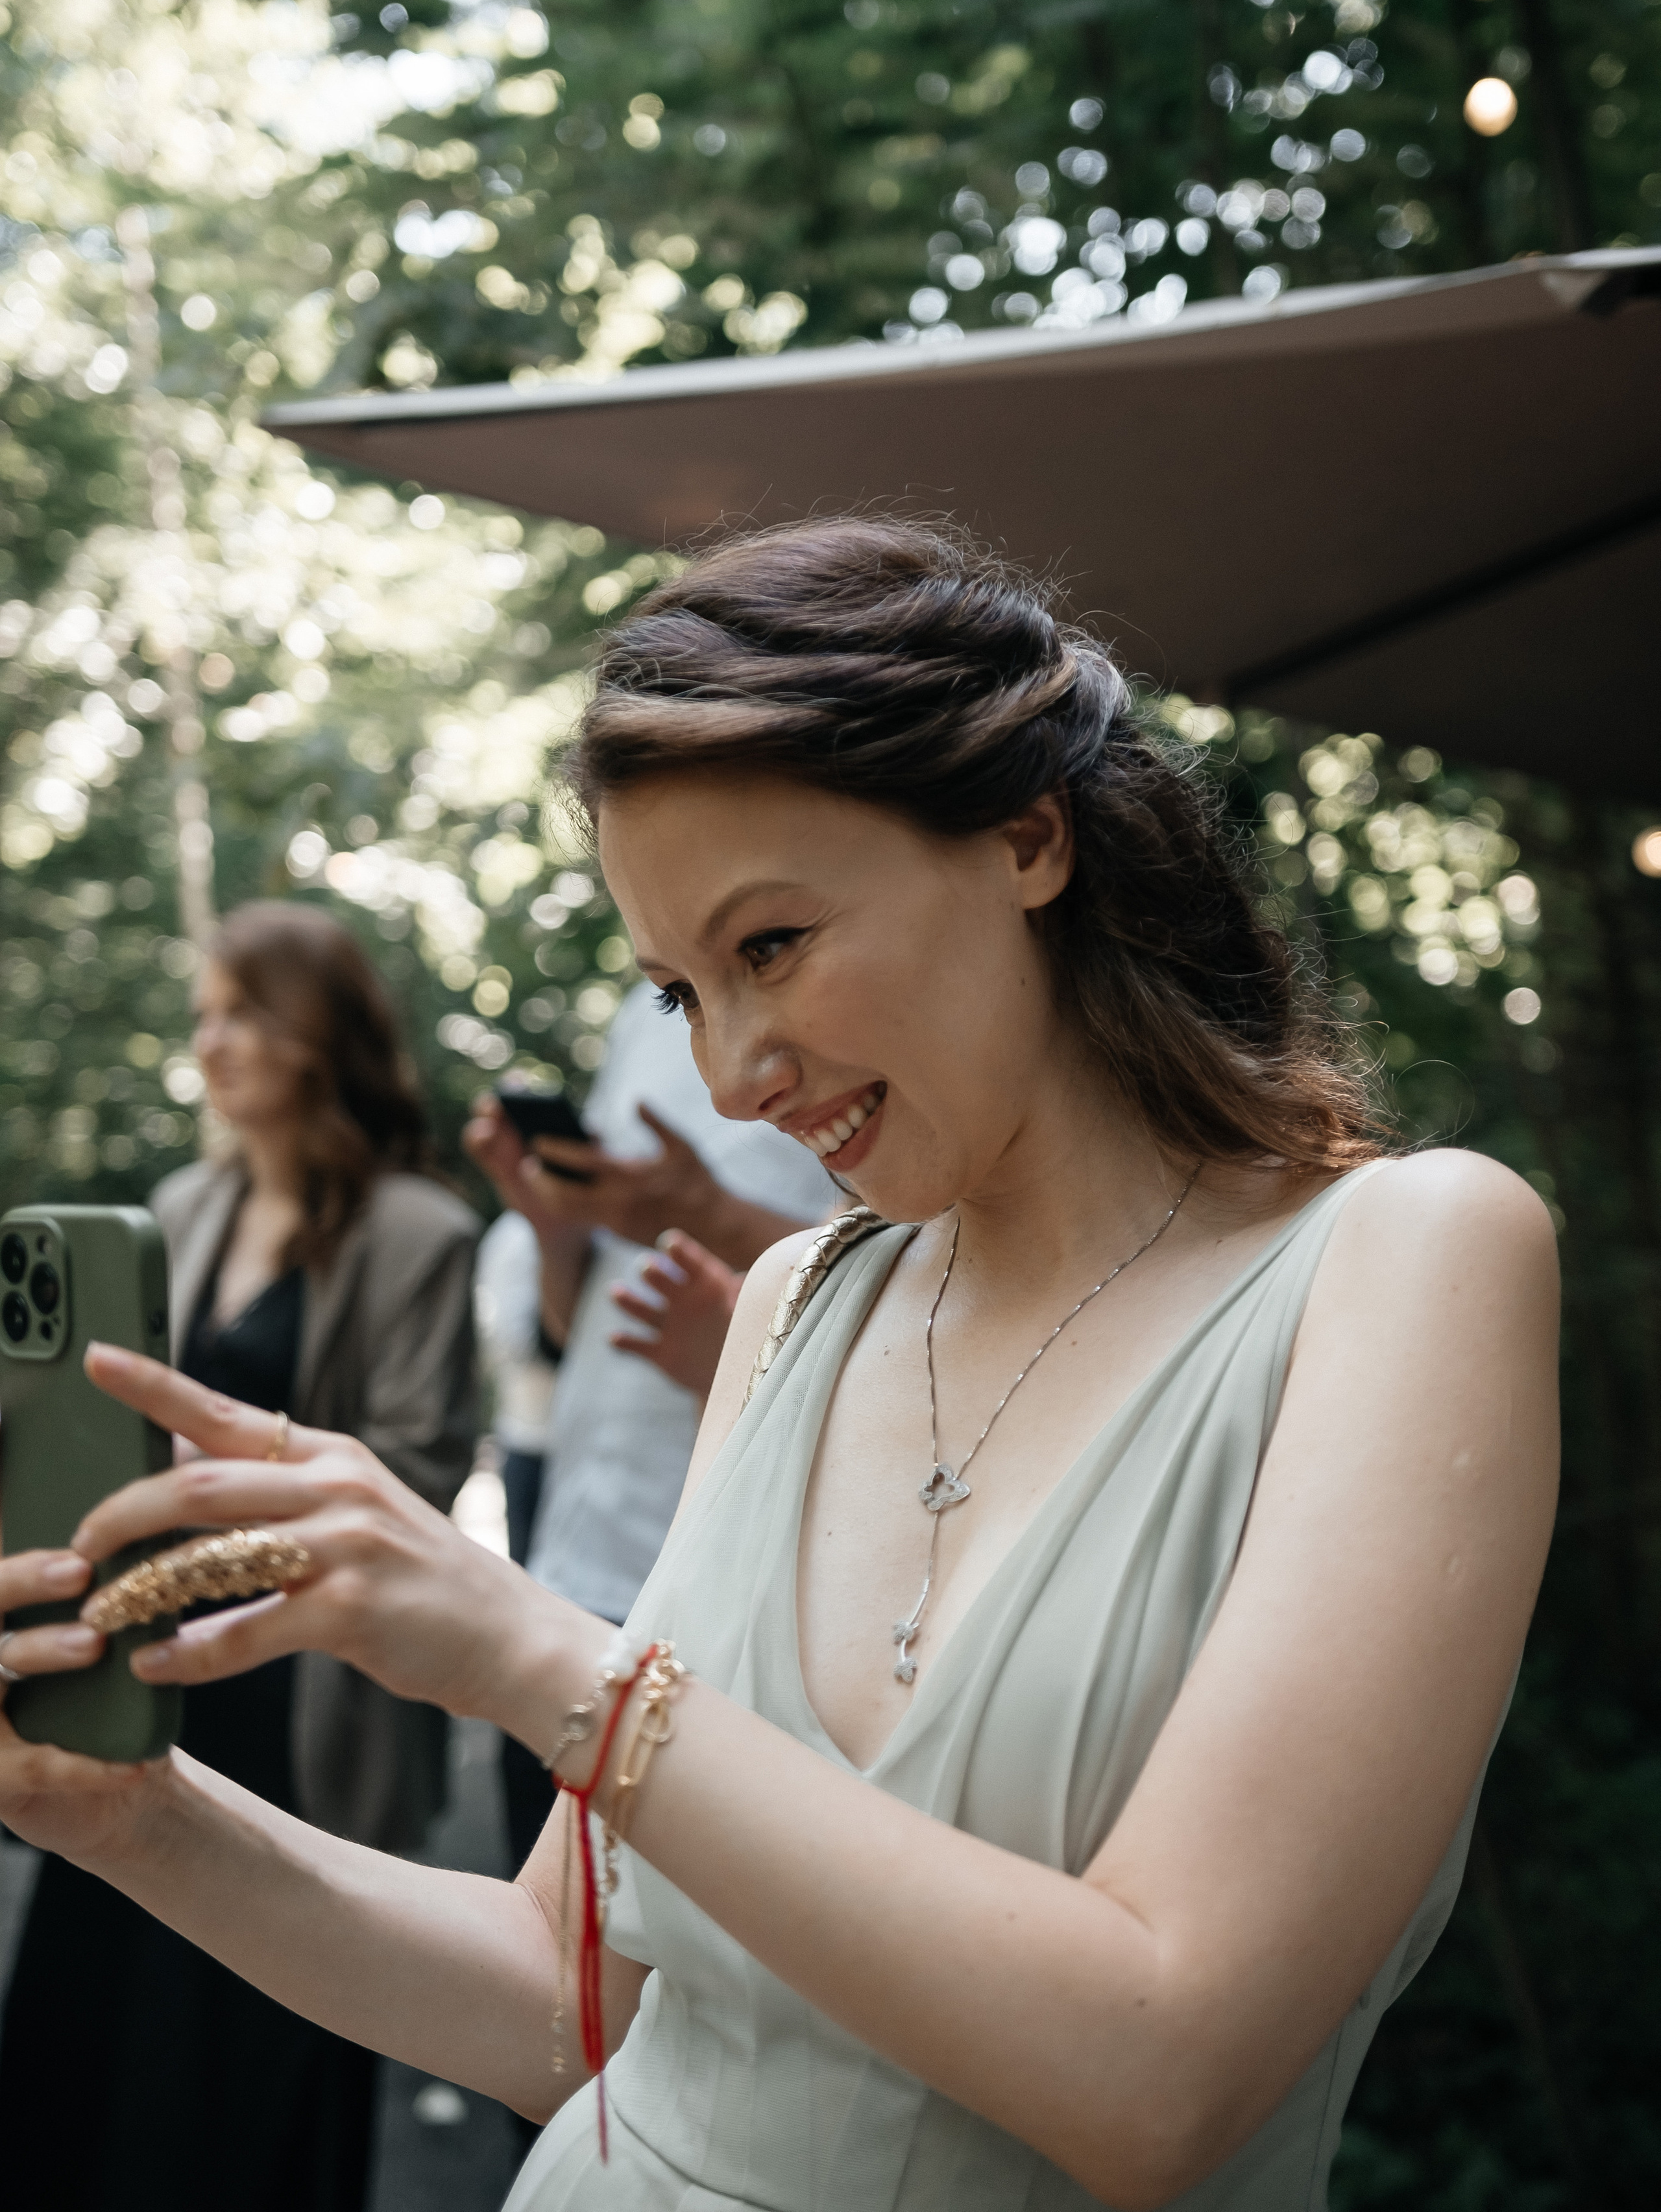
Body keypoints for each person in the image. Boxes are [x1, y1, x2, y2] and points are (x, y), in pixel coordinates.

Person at [0, 519, 1558, 2212]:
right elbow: (562, 2003)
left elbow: (1160, 2078)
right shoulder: (798, 1300)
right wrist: (128, 1819)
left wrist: (545, 1662)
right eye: (679, 992)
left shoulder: (1410, 1258)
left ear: (1028, 836)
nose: (735, 1079)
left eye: (770, 948)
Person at [0, 900, 478, 2212]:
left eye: (240, 1010)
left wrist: (197, 1499)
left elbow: (418, 1470)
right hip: (150, 1658)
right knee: (88, 2036)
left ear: (319, 1035)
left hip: (302, 1681)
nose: (210, 1040)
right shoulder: (175, 1204)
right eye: (201, 1011)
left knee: (252, 2066)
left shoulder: (418, 1231)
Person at [468, 983, 836, 1869]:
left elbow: (923, 1270)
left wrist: (736, 1343)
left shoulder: (851, 993)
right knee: (545, 1930)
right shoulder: (644, 1012)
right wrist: (557, 1232)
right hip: (575, 1554)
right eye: (679, 989)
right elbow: (569, 1325)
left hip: (727, 1602)